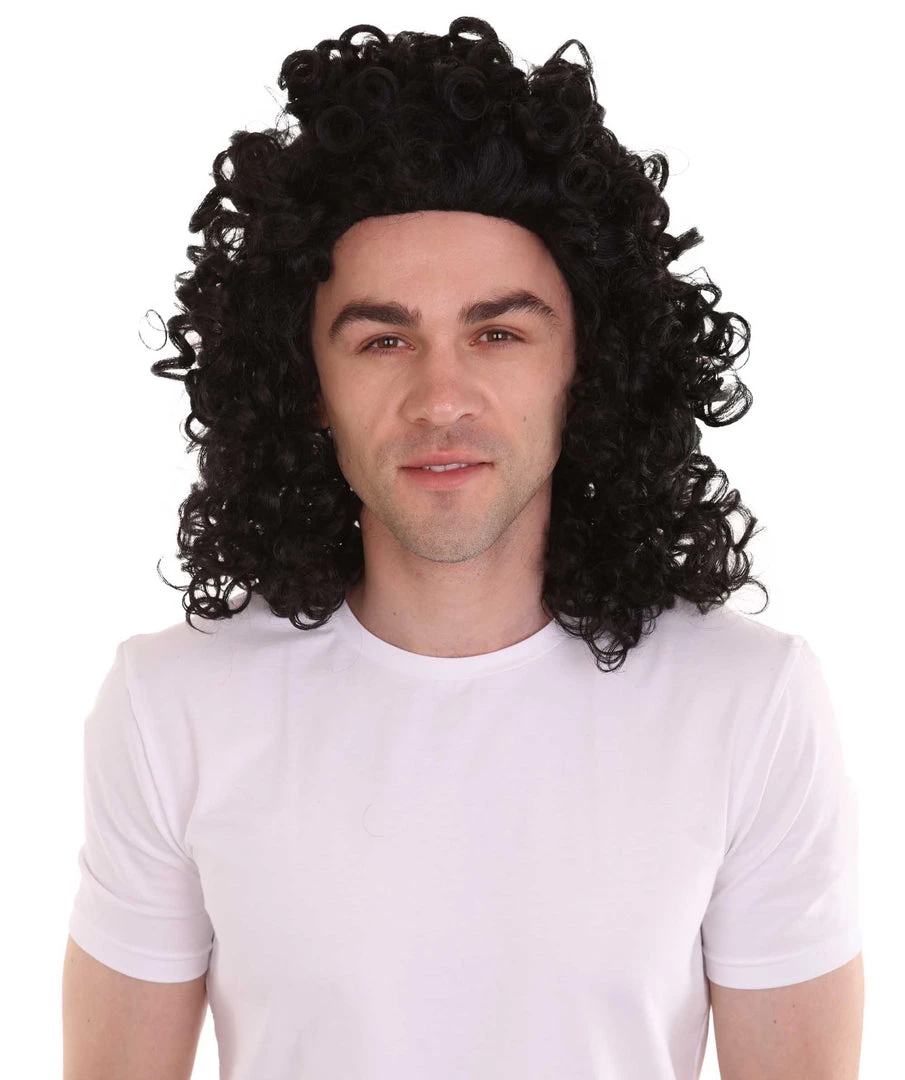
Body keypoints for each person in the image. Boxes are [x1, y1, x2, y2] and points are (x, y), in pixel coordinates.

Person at [63, 16, 863, 1080]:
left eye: (497, 334)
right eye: (383, 339)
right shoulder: (173, 707)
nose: (440, 397)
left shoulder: (744, 702)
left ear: (585, 367)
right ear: (307, 385)